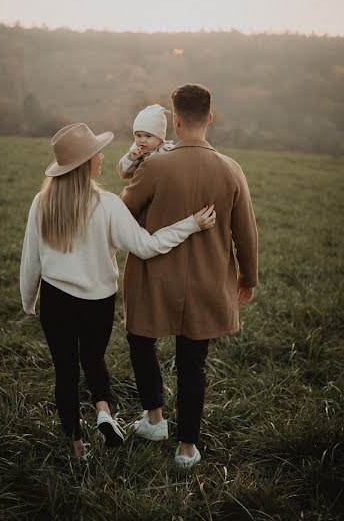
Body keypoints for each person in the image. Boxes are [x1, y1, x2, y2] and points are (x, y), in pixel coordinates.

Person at [20, 122, 216, 458]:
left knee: (65, 369)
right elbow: (147, 246)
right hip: (98, 301)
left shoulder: (43, 201)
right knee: (94, 359)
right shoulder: (108, 204)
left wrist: (28, 300)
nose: (102, 157)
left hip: (56, 299)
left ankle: (78, 446)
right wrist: (191, 224)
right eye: (97, 154)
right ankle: (104, 412)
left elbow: (31, 257)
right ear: (87, 163)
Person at [120, 84, 258, 468]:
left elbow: (123, 214)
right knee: (193, 360)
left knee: (140, 339)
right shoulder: (232, 169)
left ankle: (154, 419)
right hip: (208, 281)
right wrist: (248, 277)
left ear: (176, 121)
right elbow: (246, 232)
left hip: (152, 277)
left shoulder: (153, 167)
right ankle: (186, 449)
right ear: (209, 117)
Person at [116, 104, 174, 179]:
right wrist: (130, 159)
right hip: (141, 188)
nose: (142, 140)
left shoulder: (170, 151)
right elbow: (124, 174)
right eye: (138, 135)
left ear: (160, 137)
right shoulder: (135, 152)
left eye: (148, 136)